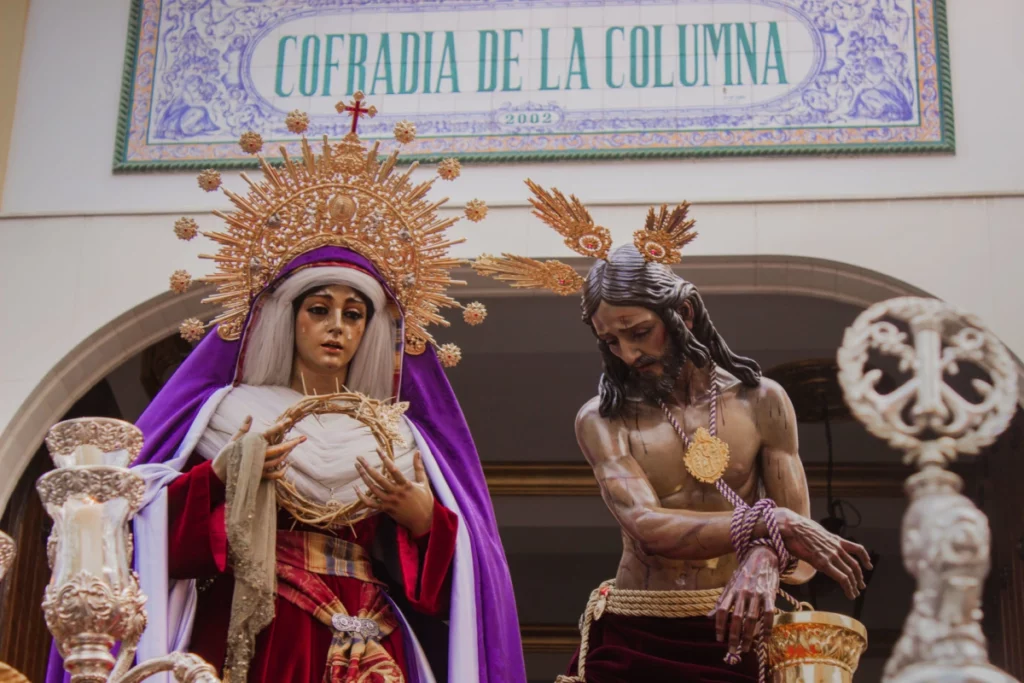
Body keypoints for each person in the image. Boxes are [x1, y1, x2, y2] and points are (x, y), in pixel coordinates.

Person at [46, 98, 526, 683]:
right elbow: (136, 531)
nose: (337, 327)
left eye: (354, 315)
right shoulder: (231, 414)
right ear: (288, 317)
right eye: (320, 309)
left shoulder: (398, 434)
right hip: (259, 621)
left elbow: (464, 591)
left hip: (372, 632)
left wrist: (426, 520)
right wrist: (222, 476)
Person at [473, 186, 872, 682]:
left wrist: (768, 554)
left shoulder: (762, 401)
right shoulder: (603, 418)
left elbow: (805, 561)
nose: (628, 353)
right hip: (638, 628)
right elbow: (646, 524)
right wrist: (777, 525)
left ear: (681, 314)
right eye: (610, 341)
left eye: (638, 332)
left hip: (737, 631)